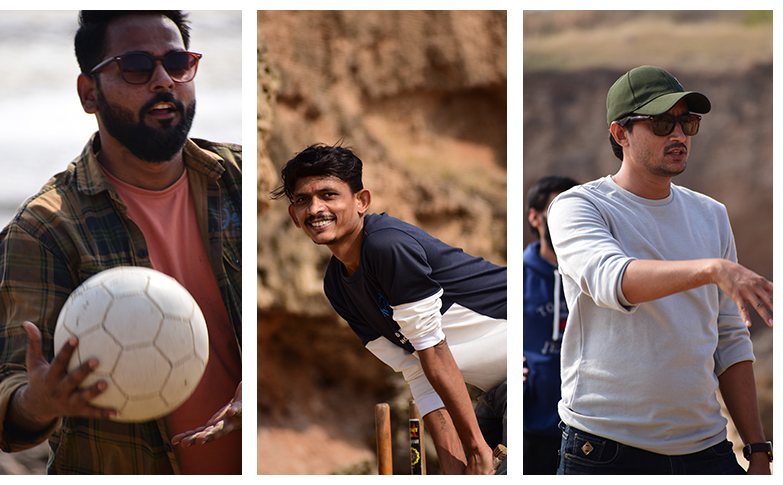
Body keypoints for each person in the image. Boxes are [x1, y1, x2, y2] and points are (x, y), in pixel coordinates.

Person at [0, 11, 242, 474]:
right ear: (90, 93)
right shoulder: (44, 229)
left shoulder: (244, 182)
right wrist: (42, 401)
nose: (164, 80)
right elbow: (7, 411)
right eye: (136, 66)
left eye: (178, 62)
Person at [548, 65, 772, 475]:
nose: (679, 135)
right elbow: (612, 279)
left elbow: (730, 338)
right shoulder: (578, 206)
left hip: (707, 449)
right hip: (605, 451)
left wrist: (758, 449)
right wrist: (712, 269)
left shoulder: (711, 214)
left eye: (687, 122)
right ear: (620, 134)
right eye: (662, 122)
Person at [270, 143, 507, 474]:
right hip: (495, 392)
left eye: (328, 195)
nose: (315, 208)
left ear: (361, 201)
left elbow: (433, 350)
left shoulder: (387, 246)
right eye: (302, 200)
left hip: (529, 367)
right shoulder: (336, 286)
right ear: (294, 216)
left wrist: (477, 451)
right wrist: (454, 468)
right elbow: (416, 369)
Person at [523, 175, 578, 474]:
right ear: (535, 217)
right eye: (557, 209)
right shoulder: (516, 277)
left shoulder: (597, 275)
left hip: (591, 427)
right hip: (531, 426)